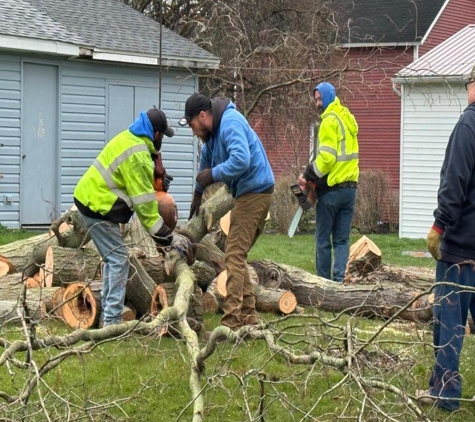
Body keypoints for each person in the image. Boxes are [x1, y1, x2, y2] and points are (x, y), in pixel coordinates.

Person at [74, 108, 193, 327]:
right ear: (156, 134)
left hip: (92, 201)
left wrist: (157, 184)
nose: (162, 141)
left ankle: (107, 318)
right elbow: (146, 211)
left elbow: (135, 185)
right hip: (97, 206)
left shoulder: (131, 139)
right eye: (163, 136)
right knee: (118, 259)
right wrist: (169, 238)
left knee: (114, 259)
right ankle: (111, 322)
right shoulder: (139, 155)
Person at [179, 93, 275, 331]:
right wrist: (198, 193)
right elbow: (206, 162)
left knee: (233, 254)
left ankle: (231, 322)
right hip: (247, 191)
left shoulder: (230, 122)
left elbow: (241, 160)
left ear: (202, 116)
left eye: (192, 125)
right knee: (237, 254)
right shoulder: (212, 134)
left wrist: (212, 175)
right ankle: (249, 316)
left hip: (256, 190)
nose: (193, 131)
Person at [417, 64, 475, 411]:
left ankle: (445, 393)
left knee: (449, 323)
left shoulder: (469, 124)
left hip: (461, 247)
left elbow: (455, 181)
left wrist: (440, 226)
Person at [300, 82, 359, 282]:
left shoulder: (329, 122)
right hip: (350, 189)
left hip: (332, 190)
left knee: (323, 239)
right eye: (315, 99)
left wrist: (308, 174)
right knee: (342, 240)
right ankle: (340, 280)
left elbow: (327, 159)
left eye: (319, 99)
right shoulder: (347, 118)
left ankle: (323, 283)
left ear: (328, 97)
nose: (317, 103)